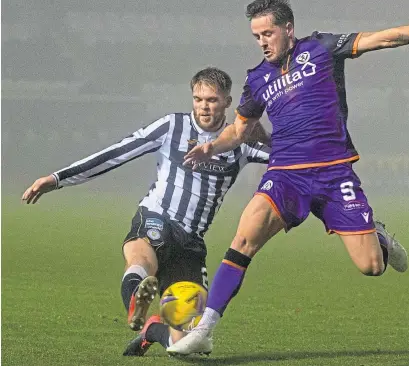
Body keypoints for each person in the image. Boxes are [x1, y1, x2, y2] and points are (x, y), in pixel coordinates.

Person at [167, 0, 409, 355]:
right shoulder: (257, 79)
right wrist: (211, 146)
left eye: (268, 33)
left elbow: (385, 38)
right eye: (256, 36)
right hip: (285, 175)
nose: (263, 42)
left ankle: (377, 238)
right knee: (243, 239)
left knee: (371, 267)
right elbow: (239, 130)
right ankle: (205, 329)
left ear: (288, 29)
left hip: (334, 175)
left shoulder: (321, 48)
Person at [21, 67, 271, 356]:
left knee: (184, 346)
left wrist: (269, 138)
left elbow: (291, 157)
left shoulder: (242, 142)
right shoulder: (171, 127)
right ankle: (138, 298)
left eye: (212, 100)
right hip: (157, 216)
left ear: (228, 102)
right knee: (141, 260)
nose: (204, 106)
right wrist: (57, 178)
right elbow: (117, 153)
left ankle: (152, 328)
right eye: (198, 99)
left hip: (191, 243)